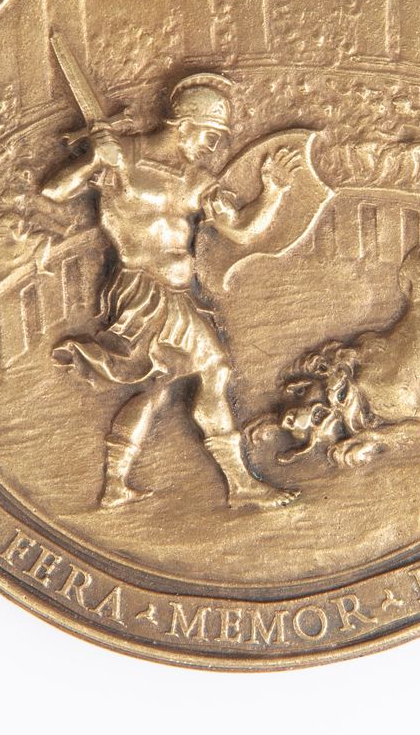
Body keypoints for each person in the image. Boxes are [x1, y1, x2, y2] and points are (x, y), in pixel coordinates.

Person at [41, 73, 302, 510]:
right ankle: (241, 485)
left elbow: (240, 230)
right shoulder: (123, 156)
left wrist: (273, 193)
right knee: (214, 370)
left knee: (158, 386)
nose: (212, 147)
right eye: (209, 135)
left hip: (178, 295)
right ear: (183, 123)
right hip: (142, 291)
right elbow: (53, 190)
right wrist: (92, 161)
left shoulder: (197, 179)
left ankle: (115, 484)